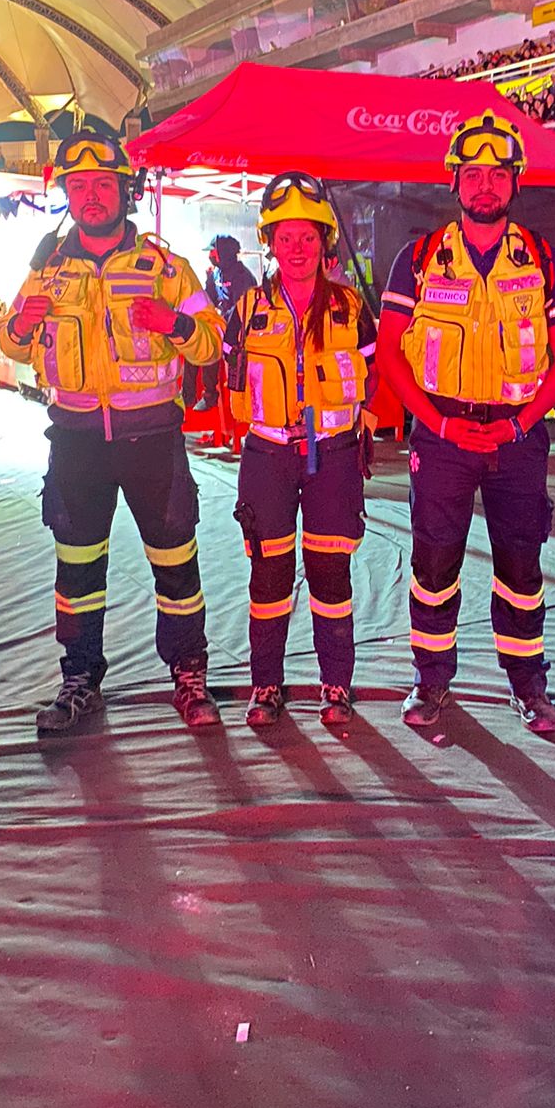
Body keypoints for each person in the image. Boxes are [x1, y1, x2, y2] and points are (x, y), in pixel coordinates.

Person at [0, 127, 224, 733]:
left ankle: (189, 675)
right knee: (76, 570)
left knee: (176, 564)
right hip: (76, 444)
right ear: (66, 195)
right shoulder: (46, 270)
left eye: (102, 184)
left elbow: (211, 345)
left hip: (152, 442)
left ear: (126, 190)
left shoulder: (166, 267)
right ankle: (79, 680)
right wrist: (19, 324)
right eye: (78, 186)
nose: (91, 196)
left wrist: (175, 324)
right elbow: (12, 342)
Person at [375, 111, 555, 733]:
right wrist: (439, 426)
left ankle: (528, 685)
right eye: (472, 174)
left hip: (517, 438)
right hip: (442, 438)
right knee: (433, 566)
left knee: (521, 568)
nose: (485, 185)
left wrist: (519, 425)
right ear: (454, 183)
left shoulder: (543, 260)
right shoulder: (419, 259)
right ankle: (431, 680)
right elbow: (390, 355)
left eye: (497, 174)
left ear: (515, 182)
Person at [225, 171, 375, 727]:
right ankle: (265, 686)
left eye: (307, 237)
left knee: (331, 571)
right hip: (267, 457)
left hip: (332, 456)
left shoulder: (350, 306)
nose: (296, 248)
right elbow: (230, 374)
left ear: (324, 240)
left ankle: (336, 686)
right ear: (269, 241)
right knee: (268, 576)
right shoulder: (247, 309)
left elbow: (374, 372)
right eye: (285, 237)